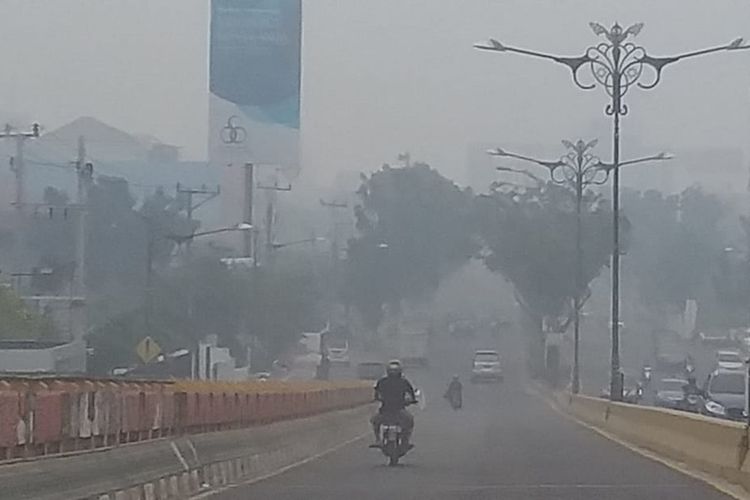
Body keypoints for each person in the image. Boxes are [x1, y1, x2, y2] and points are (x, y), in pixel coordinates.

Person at [371, 360, 416, 447]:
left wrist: (378, 399)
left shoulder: (382, 381)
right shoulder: (404, 382)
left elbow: (376, 395)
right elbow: (411, 394)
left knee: (375, 421)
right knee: (409, 421)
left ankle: (378, 439)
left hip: (386, 411)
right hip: (397, 411)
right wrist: (412, 400)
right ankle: (405, 441)